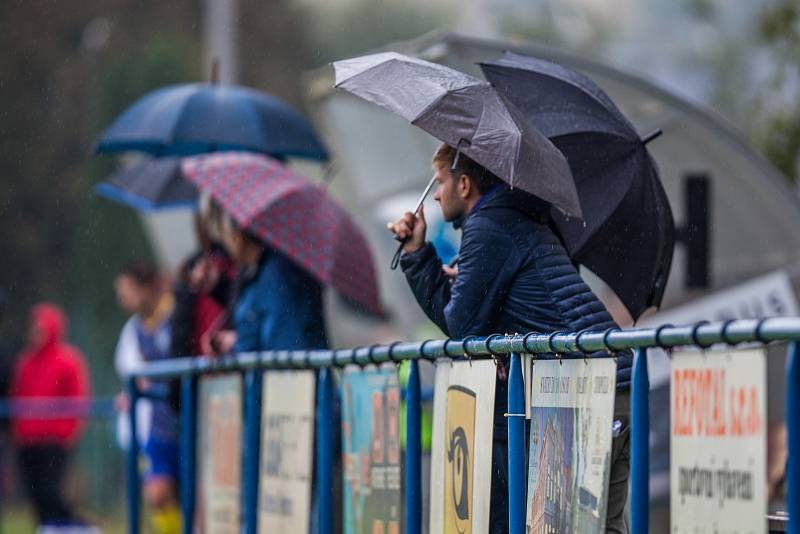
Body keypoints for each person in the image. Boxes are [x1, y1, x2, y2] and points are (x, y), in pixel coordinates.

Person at [388, 143, 631, 534]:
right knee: (602, 528)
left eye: (441, 181)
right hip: (615, 379)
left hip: (583, 388)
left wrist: (417, 254)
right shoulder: (518, 218)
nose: (435, 193)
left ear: (464, 184)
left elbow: (463, 329)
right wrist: (437, 263)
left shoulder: (488, 226)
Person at [113, 262, 180, 534]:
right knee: (156, 495)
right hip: (158, 424)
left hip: (184, 418)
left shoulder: (175, 315)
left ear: (146, 288)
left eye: (126, 290)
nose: (122, 298)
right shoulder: (135, 329)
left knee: (190, 495)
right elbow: (131, 372)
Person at [9, 303, 90, 528]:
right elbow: (18, 395)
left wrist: (67, 432)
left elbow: (77, 398)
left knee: (51, 493)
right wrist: (20, 431)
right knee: (36, 497)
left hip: (54, 440)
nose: (36, 335)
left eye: (41, 329)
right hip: (28, 441)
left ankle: (79, 528)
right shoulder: (25, 361)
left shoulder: (68, 360)